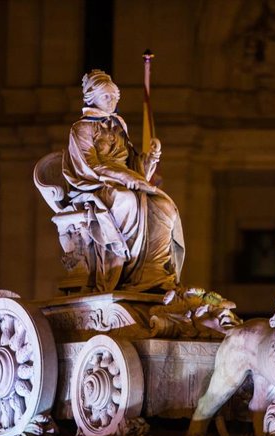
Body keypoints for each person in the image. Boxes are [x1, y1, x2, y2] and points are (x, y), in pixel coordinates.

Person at [62, 70, 185, 292]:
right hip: (96, 185)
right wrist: (126, 177)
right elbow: (90, 165)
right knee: (126, 201)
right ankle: (125, 269)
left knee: (164, 207)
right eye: (106, 96)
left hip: (125, 180)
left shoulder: (119, 125)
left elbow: (132, 163)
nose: (112, 101)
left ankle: (151, 270)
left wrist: (150, 159)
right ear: (92, 97)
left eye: (115, 97)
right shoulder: (81, 128)